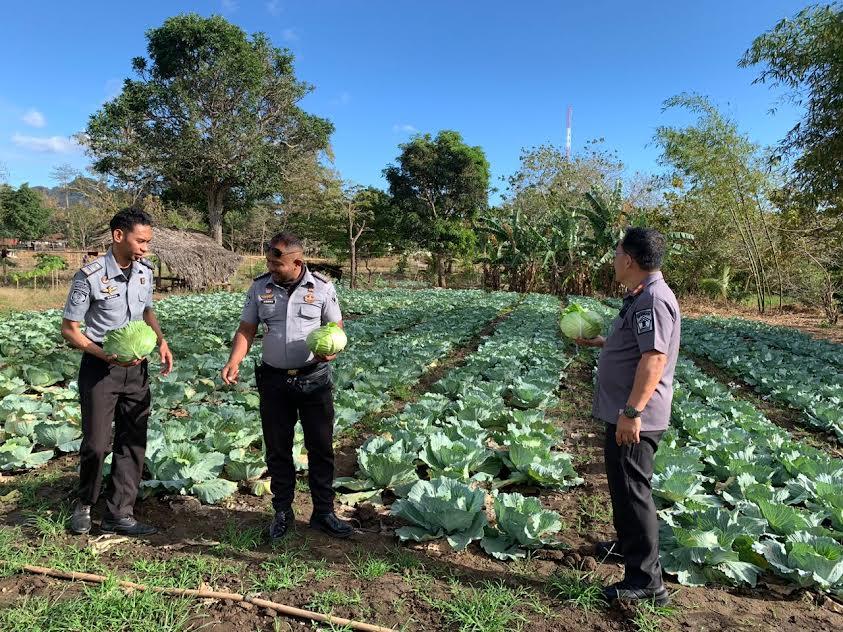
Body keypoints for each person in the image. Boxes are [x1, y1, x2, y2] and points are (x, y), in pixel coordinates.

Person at [221, 232, 352, 539]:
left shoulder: (321, 287)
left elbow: (336, 327)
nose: (271, 267)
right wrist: (234, 360)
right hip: (274, 380)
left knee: (320, 447)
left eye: (276, 263)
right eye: (268, 261)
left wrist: (332, 348)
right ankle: (282, 511)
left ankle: (323, 512)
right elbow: (247, 328)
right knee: (278, 449)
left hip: (313, 378)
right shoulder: (260, 287)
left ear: (297, 262)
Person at [576, 227, 680, 606]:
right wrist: (605, 343)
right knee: (623, 487)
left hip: (636, 417)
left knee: (634, 492)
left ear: (630, 260)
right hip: (626, 413)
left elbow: (654, 359)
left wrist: (632, 412)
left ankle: (647, 583)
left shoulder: (652, 300)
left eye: (617, 252)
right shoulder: (642, 296)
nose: (614, 259)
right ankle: (627, 544)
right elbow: (641, 347)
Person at [61, 207, 173, 536]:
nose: (145, 247)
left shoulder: (145, 272)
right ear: (118, 236)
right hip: (100, 369)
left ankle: (120, 512)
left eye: (148, 242)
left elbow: (147, 310)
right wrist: (105, 355)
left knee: (133, 440)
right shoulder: (90, 276)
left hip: (137, 369)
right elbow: (70, 329)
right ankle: (85, 503)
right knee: (96, 443)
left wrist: (162, 341)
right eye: (141, 241)